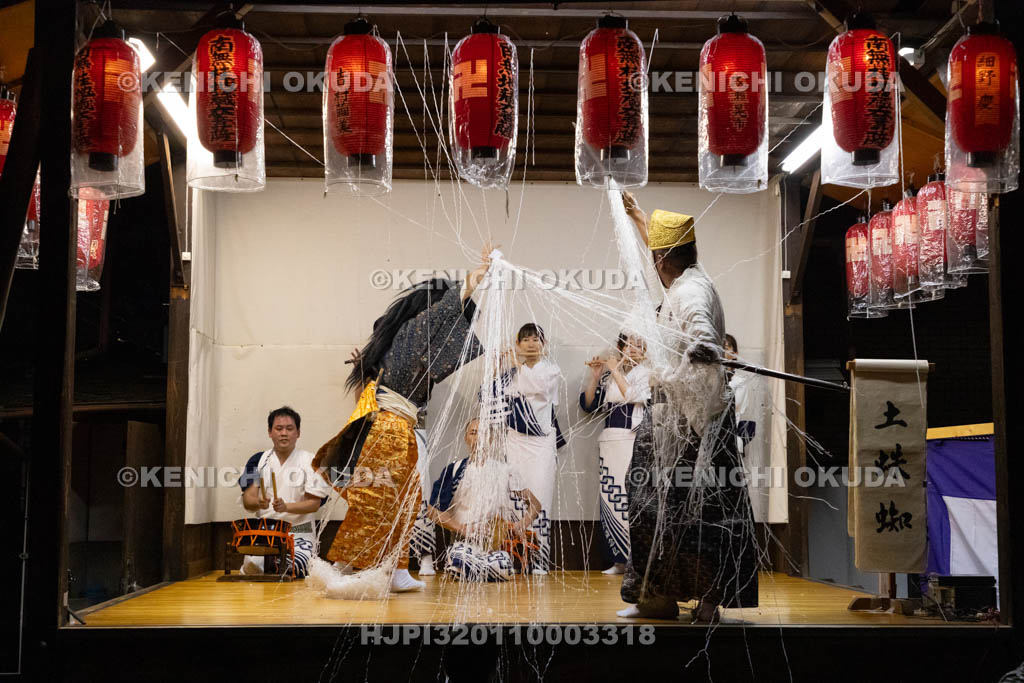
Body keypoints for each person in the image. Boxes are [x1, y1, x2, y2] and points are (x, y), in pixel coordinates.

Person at [311, 247, 492, 594]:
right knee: (376, 499)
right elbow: (448, 306)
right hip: (389, 429)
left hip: (396, 428)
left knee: (405, 503)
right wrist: (477, 274)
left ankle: (394, 570)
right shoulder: (415, 331)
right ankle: (342, 567)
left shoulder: (403, 344)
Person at [615, 192, 759, 622]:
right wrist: (641, 218)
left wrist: (703, 346)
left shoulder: (691, 291)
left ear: (663, 259)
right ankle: (658, 597)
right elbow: (666, 263)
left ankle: (705, 602)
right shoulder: (687, 278)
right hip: (674, 415)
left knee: (703, 511)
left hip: (696, 424)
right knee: (655, 504)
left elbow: (701, 329)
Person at [426, 418, 543, 581]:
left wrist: (519, 526)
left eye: (484, 433)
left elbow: (535, 505)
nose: (479, 438)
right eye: (473, 433)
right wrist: (463, 528)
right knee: (460, 558)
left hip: (493, 550)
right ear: (466, 438)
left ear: (491, 439)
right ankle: (472, 569)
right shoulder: (454, 470)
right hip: (463, 545)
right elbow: (433, 512)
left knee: (503, 564)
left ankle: (477, 570)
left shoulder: (505, 470)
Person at [580, 333, 651, 575]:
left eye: (639, 345)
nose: (634, 349)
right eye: (629, 345)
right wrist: (597, 376)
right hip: (609, 440)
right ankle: (618, 559)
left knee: (632, 497)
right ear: (620, 348)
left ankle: (636, 559)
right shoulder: (611, 376)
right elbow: (589, 405)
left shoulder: (646, 374)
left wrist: (615, 371)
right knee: (611, 497)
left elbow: (634, 397)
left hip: (632, 439)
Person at [499, 322, 565, 575]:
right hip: (514, 439)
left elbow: (538, 388)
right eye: (525, 339)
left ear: (543, 345)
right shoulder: (510, 371)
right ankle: (515, 554)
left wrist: (515, 365)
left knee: (541, 493)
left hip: (540, 441)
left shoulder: (551, 369)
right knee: (515, 492)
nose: (530, 343)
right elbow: (498, 395)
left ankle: (540, 558)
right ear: (518, 344)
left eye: (536, 339)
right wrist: (501, 365)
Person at [238, 407, 331, 578]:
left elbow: (314, 503)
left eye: (289, 428)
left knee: (296, 566)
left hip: (299, 532)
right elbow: (248, 500)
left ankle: (275, 567)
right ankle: (265, 566)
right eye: (278, 428)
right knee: (253, 564)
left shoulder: (311, 461)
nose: (284, 433)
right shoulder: (259, 460)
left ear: (298, 432)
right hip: (267, 533)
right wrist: (258, 502)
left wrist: (286, 506)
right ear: (270, 432)